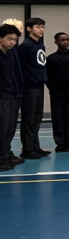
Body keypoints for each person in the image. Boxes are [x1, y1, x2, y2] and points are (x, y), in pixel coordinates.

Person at [46, 31, 69, 152]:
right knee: (58, 118)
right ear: (56, 42)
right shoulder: (51, 59)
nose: (65, 42)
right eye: (62, 40)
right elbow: (47, 77)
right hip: (56, 95)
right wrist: (54, 90)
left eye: (67, 39)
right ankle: (60, 143)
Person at [17, 17, 48, 158]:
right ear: (29, 29)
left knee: (36, 118)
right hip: (29, 87)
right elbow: (20, 67)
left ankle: (35, 146)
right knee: (29, 118)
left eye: (42, 27)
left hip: (39, 85)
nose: (41, 30)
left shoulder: (40, 45)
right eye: (38, 27)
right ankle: (27, 149)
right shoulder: (26, 46)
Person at [0, 24, 24, 171]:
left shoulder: (10, 54)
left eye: (15, 40)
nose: (12, 42)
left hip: (11, 95)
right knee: (2, 128)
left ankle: (5, 154)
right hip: (2, 96)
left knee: (9, 127)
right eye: (9, 39)